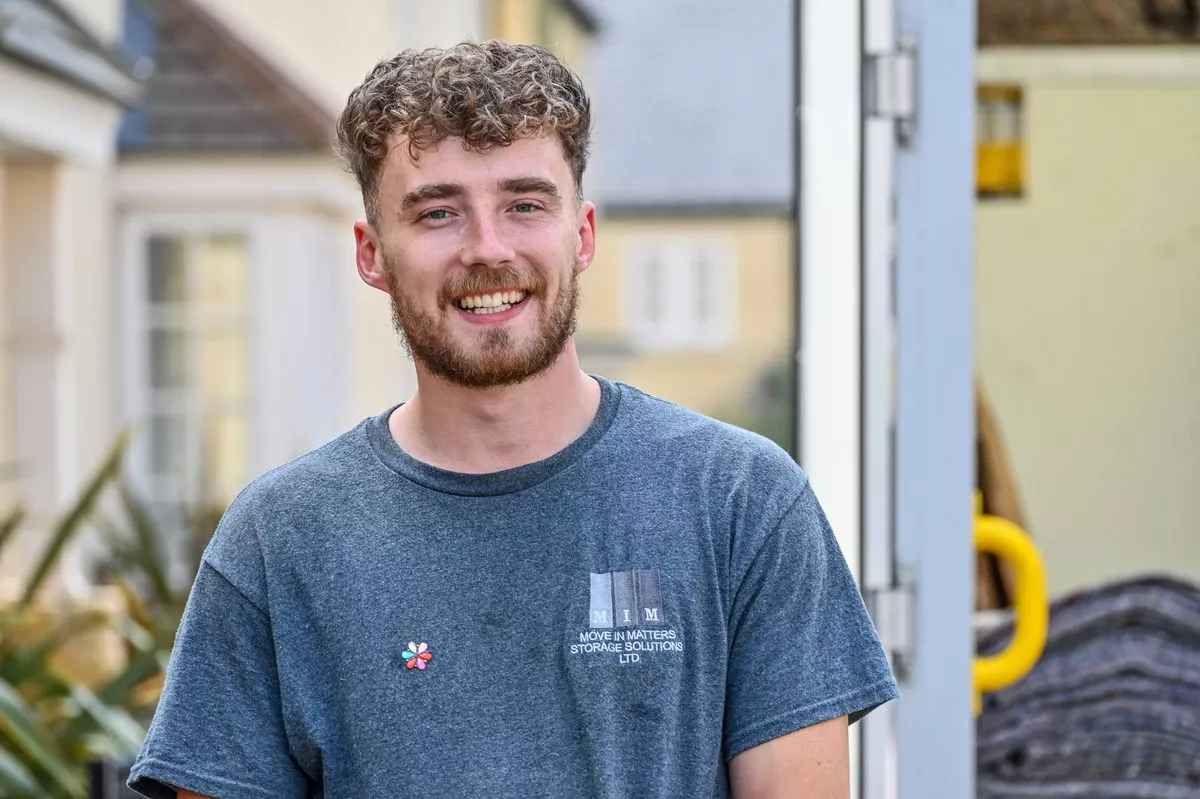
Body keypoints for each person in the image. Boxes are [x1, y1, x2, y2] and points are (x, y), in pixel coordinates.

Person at [128, 40, 899, 799]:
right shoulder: (278, 540)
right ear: (372, 253)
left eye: (525, 204)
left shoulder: (740, 502)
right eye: (438, 213)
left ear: (583, 234)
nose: (488, 248)